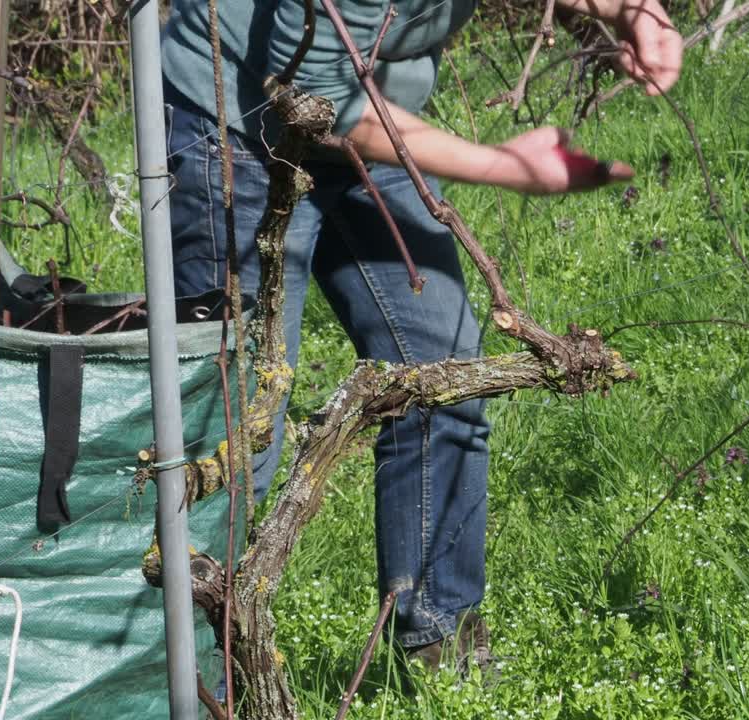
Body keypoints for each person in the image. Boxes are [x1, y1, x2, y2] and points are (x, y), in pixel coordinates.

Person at [160, 0, 682, 671]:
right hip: (236, 120)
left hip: (368, 116)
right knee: (236, 430)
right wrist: (506, 167)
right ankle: (193, 676)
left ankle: (443, 650)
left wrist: (626, 10)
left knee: (443, 372)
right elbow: (313, 92)